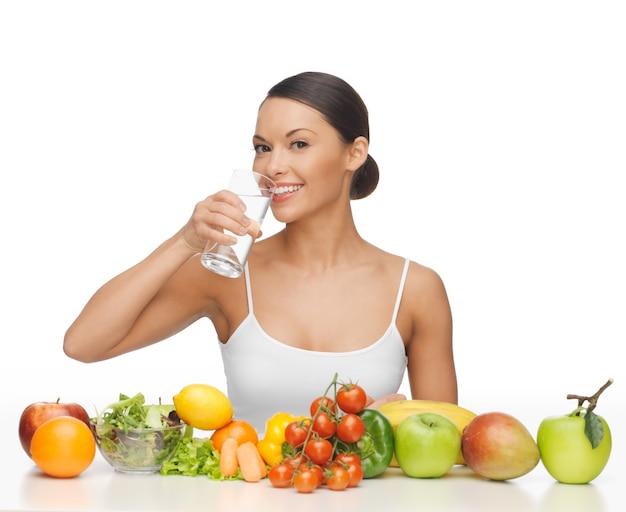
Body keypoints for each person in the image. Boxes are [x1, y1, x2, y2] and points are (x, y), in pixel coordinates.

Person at [64, 71, 457, 432]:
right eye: (262, 147)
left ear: (354, 153)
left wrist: (382, 427)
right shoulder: (227, 271)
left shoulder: (416, 288)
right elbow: (83, 344)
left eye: (298, 144)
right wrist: (184, 241)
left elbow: (445, 441)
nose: (274, 165)